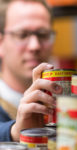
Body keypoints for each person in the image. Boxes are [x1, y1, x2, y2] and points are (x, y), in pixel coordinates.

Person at [0, 0, 62, 141]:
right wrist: (16, 132)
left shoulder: (65, 104)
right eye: (22, 35)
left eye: (43, 34)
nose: (35, 46)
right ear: (0, 43)